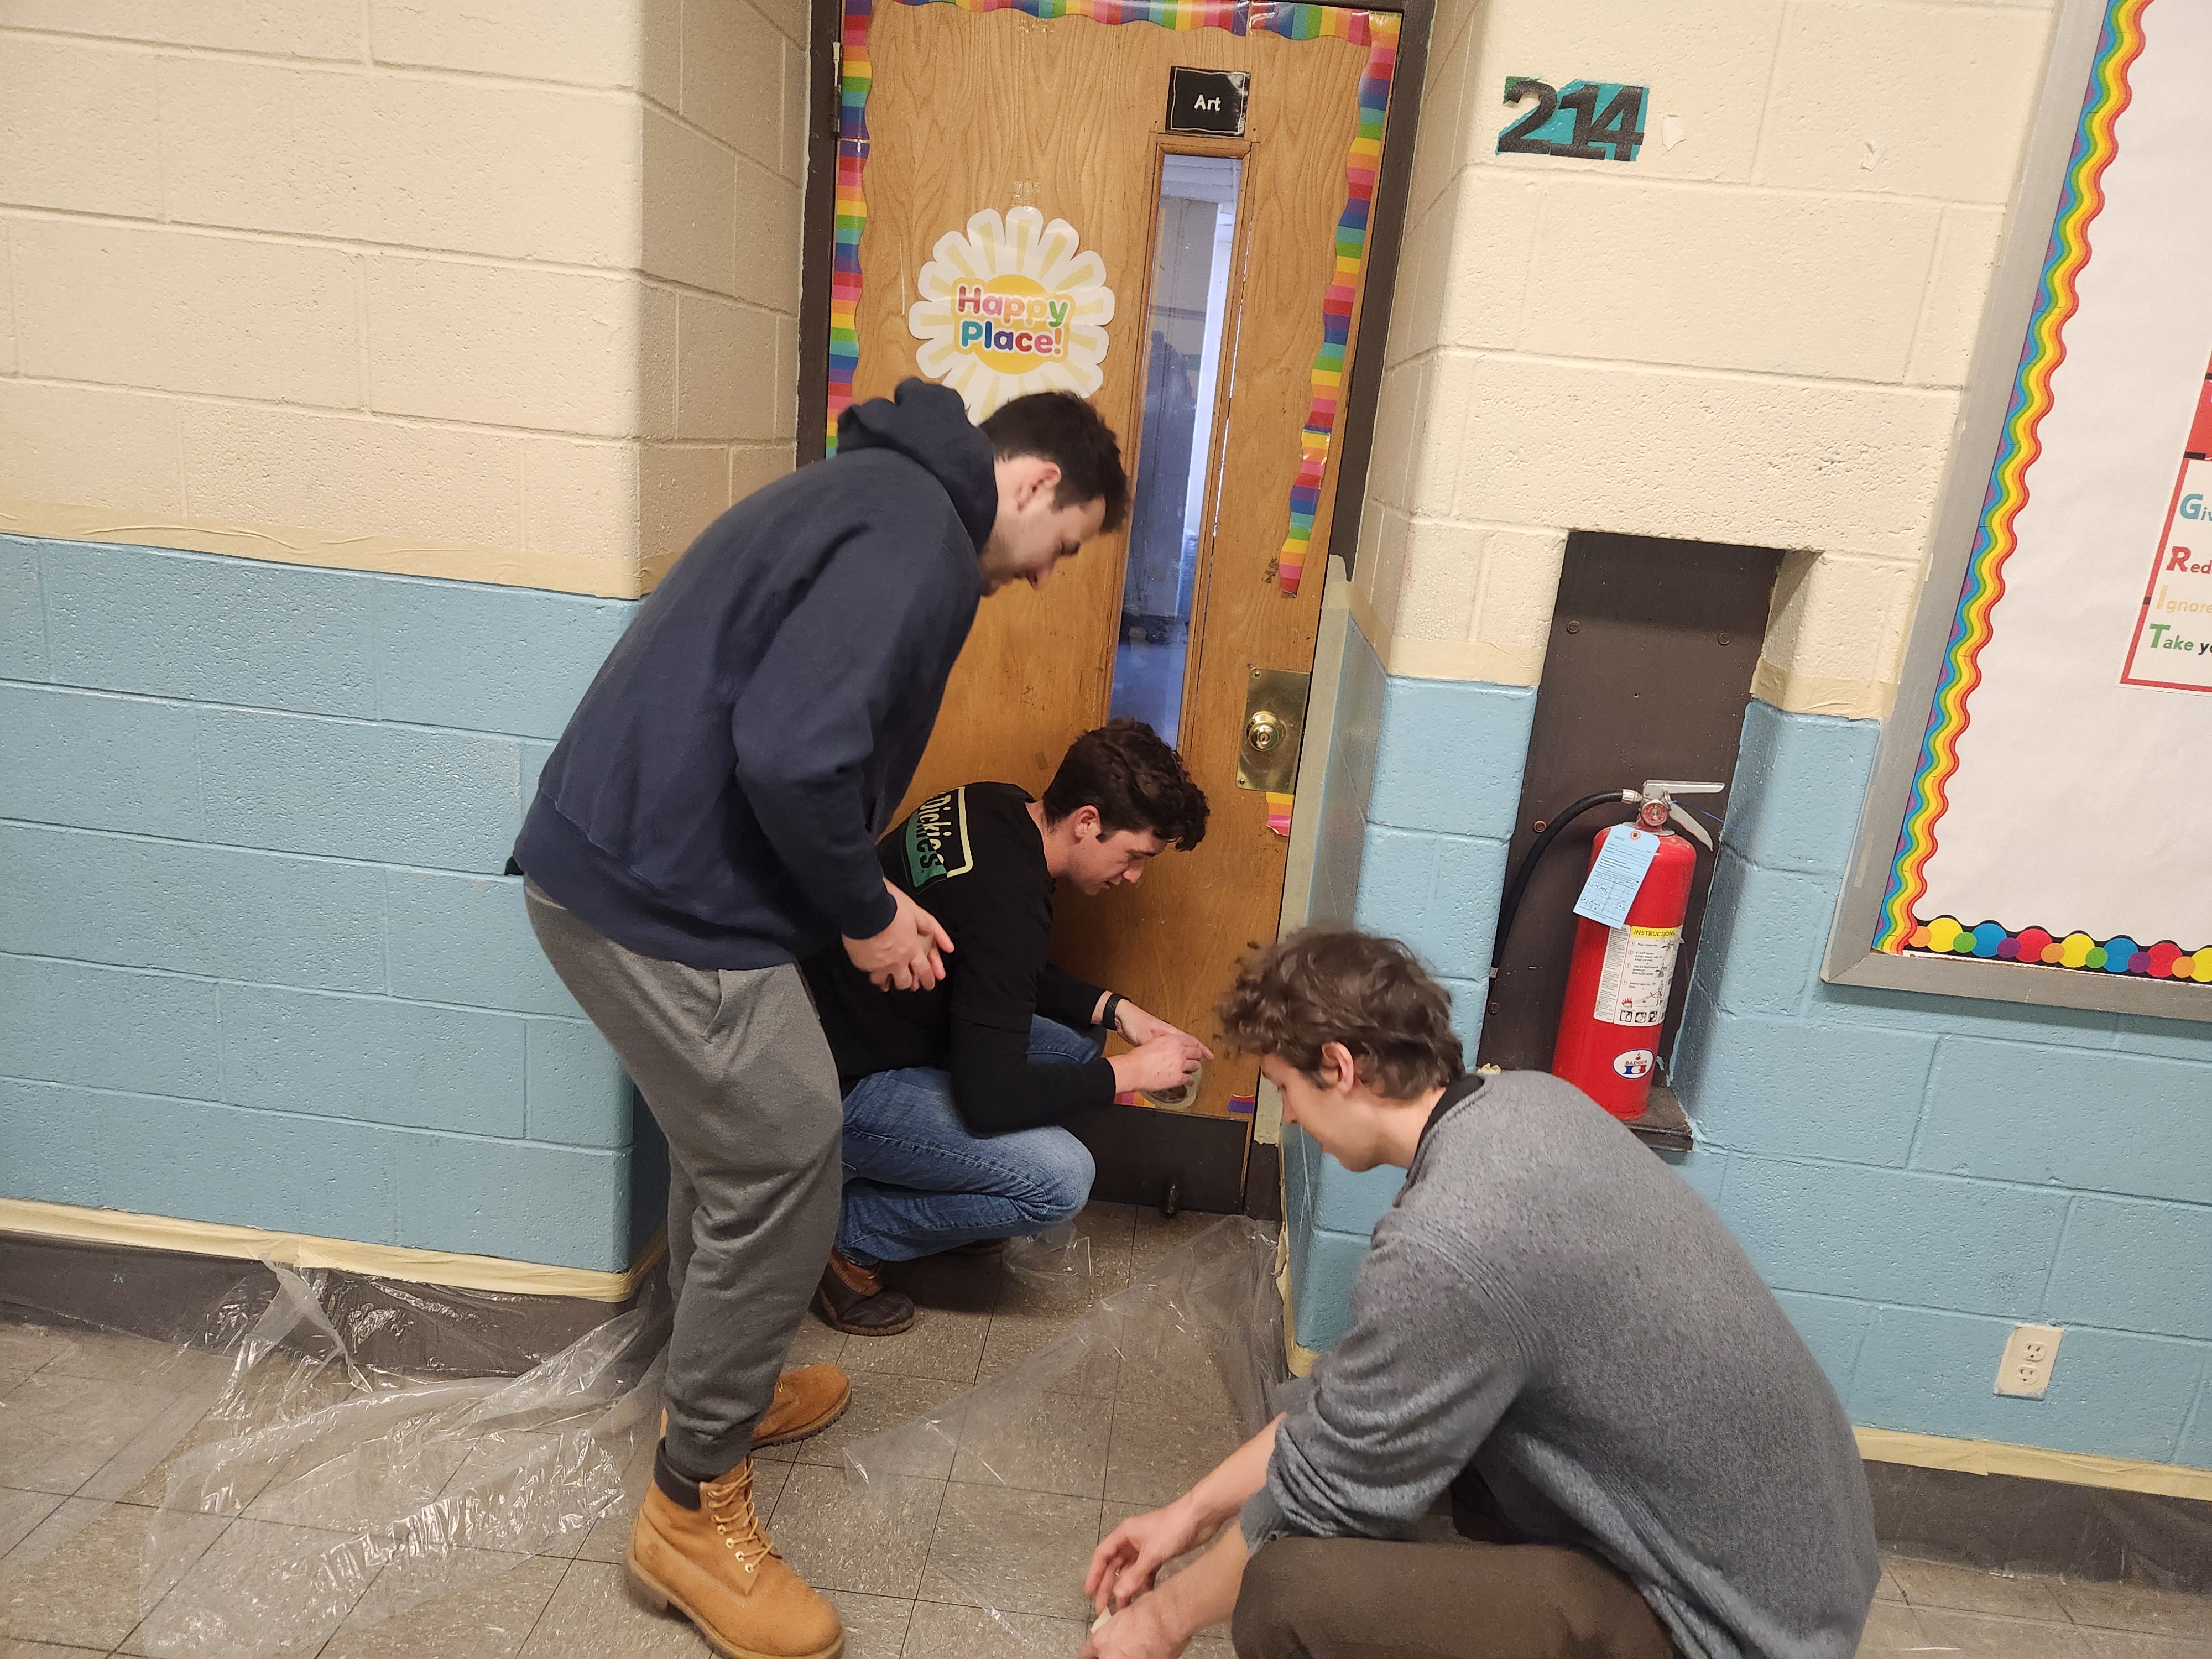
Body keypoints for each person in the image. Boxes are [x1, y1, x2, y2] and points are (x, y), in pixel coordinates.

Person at [513, 379, 1126, 1659]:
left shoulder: (875, 494)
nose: (1039, 577)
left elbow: (796, 735)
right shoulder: (917, 537)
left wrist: (866, 891)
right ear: (1030, 487)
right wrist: (861, 910)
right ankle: (691, 1510)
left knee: (736, 1146)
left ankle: (709, 1389)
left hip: (644, 875)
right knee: (790, 1152)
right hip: (657, 899)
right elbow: (793, 749)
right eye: (1058, 547)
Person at [1083, 930, 1880, 1659]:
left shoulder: (1454, 1237)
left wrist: (1162, 1622)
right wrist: (1189, 1514)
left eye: (1287, 1088)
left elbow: (1325, 1488)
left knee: (1288, 1591)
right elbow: (1358, 1403)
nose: (1290, 1116)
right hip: (1799, 1574)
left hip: (1735, 1631)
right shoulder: (1525, 1106)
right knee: (1393, 1464)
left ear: (1340, 1067)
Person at [800, 719, 1214, 1333]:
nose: (1133, 877)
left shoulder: (994, 804)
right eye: (1134, 856)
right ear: (1087, 822)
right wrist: (1131, 1071)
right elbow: (990, 1098)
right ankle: (843, 1237)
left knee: (1079, 1044)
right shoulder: (1010, 907)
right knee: (1060, 1183)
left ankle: (949, 1200)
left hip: (852, 1019)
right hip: (838, 1083)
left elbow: (997, 963)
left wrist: (1116, 1008)